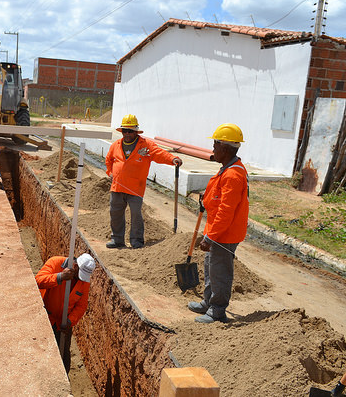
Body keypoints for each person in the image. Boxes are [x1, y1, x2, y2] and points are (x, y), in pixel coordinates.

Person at [188, 123, 248, 324]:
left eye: (215, 144)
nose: (212, 149)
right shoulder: (227, 169)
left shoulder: (233, 174)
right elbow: (219, 200)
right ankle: (208, 302)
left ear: (226, 148)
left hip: (224, 234)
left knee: (220, 272)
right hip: (217, 230)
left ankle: (218, 311)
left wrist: (211, 237)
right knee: (210, 267)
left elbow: (226, 211)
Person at [105, 114, 182, 249]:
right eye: (125, 131)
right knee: (115, 213)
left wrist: (172, 159)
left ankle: (136, 241)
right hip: (117, 186)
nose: (127, 133)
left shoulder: (145, 146)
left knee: (136, 215)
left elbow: (159, 153)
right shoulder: (115, 145)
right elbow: (108, 160)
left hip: (135, 188)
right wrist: (110, 173)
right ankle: (117, 240)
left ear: (136, 132)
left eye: (130, 131)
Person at [35, 253, 96, 374]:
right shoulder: (55, 263)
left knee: (63, 356)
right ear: (75, 265)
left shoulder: (84, 281)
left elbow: (81, 305)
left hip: (63, 324)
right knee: (42, 351)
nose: (80, 279)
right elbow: (38, 281)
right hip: (45, 319)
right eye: (80, 275)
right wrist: (59, 277)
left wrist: (70, 321)